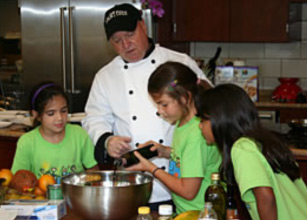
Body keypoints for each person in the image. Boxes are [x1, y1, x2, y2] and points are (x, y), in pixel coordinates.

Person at [82, 3, 212, 209]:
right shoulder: (105, 76)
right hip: (132, 183)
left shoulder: (178, 62)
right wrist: (107, 141)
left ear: (143, 26)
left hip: (185, 183)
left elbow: (209, 106)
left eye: (130, 34)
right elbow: (93, 118)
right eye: (117, 40)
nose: (126, 44)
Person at [195, 83, 307, 220]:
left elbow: (266, 197)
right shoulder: (263, 141)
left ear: (220, 120)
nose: (200, 126)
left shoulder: (242, 148)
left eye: (203, 120)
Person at [126, 62, 221, 214]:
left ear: (185, 98)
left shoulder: (197, 133)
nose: (159, 111)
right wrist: (164, 152)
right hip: (187, 212)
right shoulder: (184, 122)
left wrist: (151, 169)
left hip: (201, 214)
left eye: (164, 104)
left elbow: (188, 191)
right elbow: (188, 158)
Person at [11, 82, 98, 183]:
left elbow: (93, 171)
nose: (59, 118)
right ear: (36, 115)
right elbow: (18, 180)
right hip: (40, 198)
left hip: (75, 197)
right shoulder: (27, 142)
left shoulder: (79, 134)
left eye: (63, 111)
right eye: (51, 113)